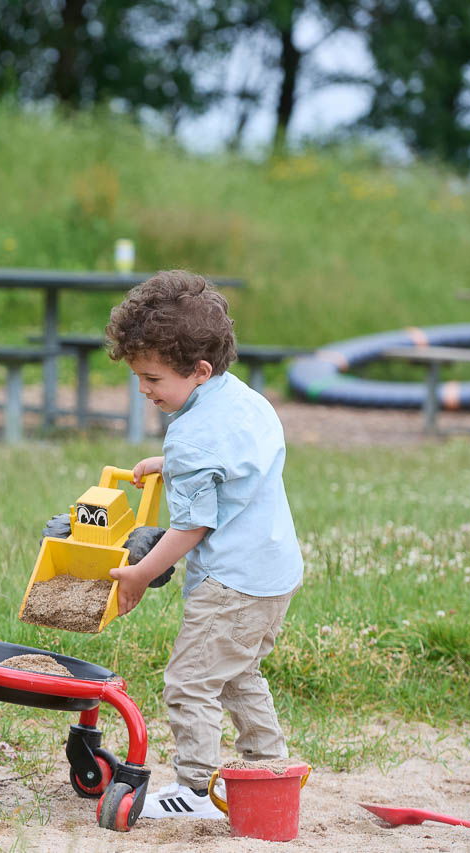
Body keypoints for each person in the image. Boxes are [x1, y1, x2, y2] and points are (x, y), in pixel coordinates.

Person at [106, 270, 303, 820]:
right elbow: (237, 468)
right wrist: (174, 467)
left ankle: (195, 790)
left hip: (232, 582)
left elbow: (193, 526)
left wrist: (142, 573)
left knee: (190, 681)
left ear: (199, 370)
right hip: (274, 573)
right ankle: (266, 768)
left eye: (151, 378)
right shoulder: (246, 401)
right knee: (238, 673)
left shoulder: (191, 433)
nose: (144, 389)